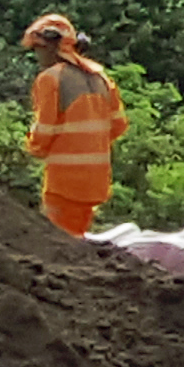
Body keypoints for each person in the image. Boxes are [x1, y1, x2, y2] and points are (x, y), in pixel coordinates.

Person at [20, 13, 123, 239]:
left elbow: (43, 130)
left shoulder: (50, 79)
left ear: (50, 46)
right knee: (78, 240)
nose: (37, 54)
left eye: (38, 48)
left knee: (58, 244)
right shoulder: (101, 78)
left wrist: (31, 149)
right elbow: (119, 125)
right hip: (95, 181)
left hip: (63, 184)